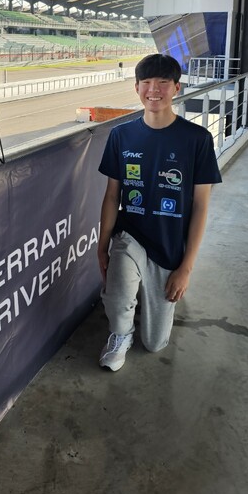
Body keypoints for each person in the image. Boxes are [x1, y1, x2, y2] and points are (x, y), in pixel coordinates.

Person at [97, 53, 222, 371]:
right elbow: (112, 196)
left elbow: (201, 205)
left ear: (177, 88)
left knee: (154, 344)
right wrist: (102, 245)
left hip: (169, 246)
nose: (154, 90)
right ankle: (120, 333)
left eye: (163, 82)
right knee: (118, 294)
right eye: (147, 82)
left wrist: (186, 269)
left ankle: (149, 305)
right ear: (137, 87)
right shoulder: (121, 136)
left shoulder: (197, 139)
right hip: (130, 235)